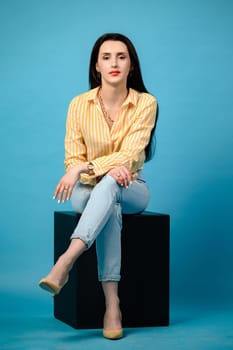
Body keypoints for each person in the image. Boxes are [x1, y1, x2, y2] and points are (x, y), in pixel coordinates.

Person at [39, 33, 158, 340]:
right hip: (88, 191)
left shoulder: (146, 103)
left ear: (131, 65)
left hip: (133, 187)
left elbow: (133, 154)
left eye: (121, 56)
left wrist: (87, 166)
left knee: (114, 190)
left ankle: (66, 261)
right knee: (109, 196)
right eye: (106, 57)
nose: (114, 63)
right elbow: (72, 157)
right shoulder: (79, 105)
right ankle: (112, 305)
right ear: (97, 66)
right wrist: (93, 169)